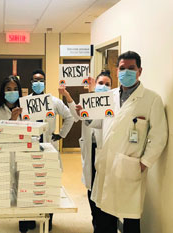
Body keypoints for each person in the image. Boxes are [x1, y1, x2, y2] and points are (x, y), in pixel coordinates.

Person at [90, 51, 168, 233]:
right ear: (116, 71)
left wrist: (144, 163)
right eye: (122, 68)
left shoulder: (151, 99)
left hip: (130, 166)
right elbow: (99, 123)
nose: (126, 72)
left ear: (139, 71)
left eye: (131, 68)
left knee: (131, 220)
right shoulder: (108, 96)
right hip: (107, 164)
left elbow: (159, 136)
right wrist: (85, 114)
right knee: (104, 216)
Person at [18, 69, 74, 233]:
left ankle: (47, 217)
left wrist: (61, 134)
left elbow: (70, 116)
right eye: (35, 80)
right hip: (29, 149)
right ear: (31, 82)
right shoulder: (24, 102)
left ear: (44, 82)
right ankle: (26, 219)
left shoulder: (54, 102)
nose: (38, 83)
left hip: (49, 149)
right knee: (27, 183)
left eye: (41, 80)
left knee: (48, 184)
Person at [59, 70, 113, 231]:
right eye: (100, 83)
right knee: (91, 194)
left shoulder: (114, 103)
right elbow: (76, 116)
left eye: (107, 84)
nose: (103, 86)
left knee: (105, 197)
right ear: (95, 84)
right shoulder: (88, 102)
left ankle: (104, 226)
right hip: (91, 152)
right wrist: (67, 95)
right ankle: (96, 225)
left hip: (107, 153)